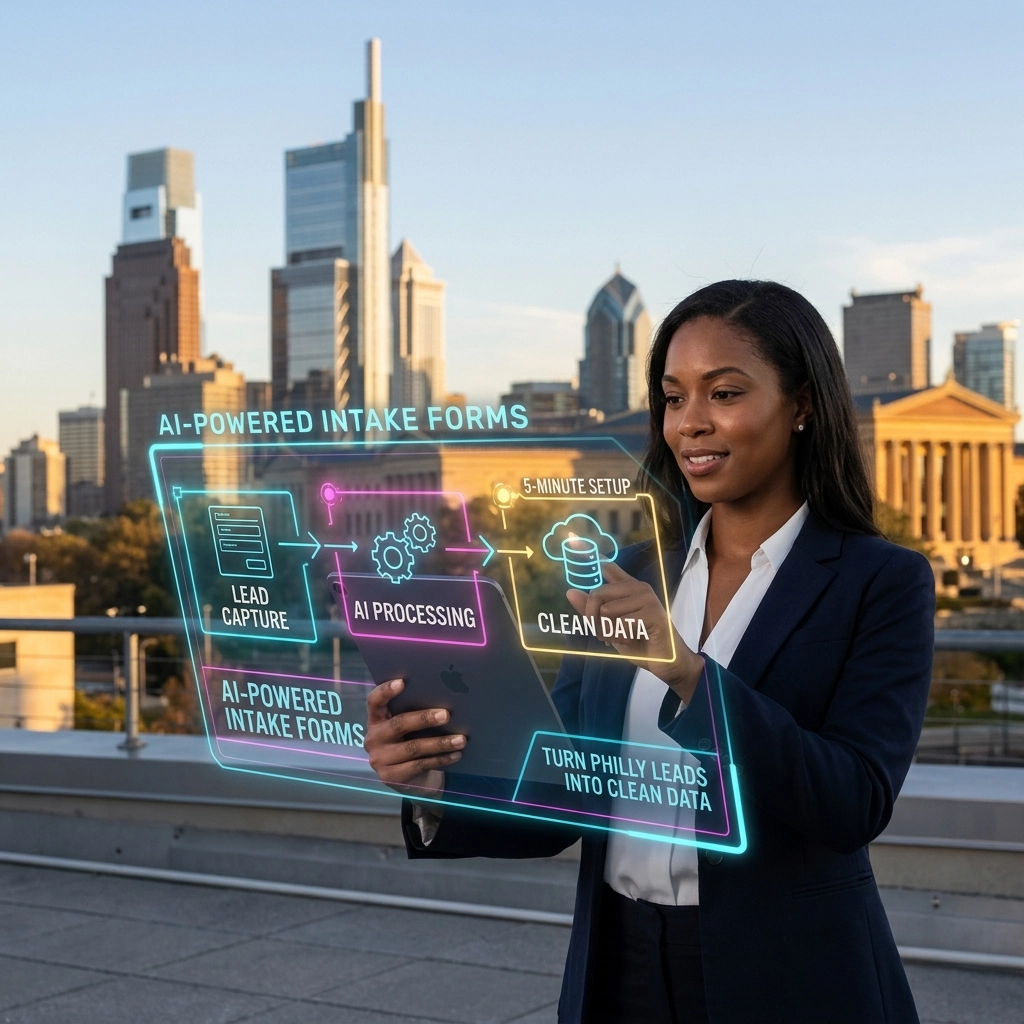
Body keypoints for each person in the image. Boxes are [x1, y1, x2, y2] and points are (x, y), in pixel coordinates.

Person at [364, 279, 935, 1024]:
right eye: (673, 398)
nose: (689, 424)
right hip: (619, 969)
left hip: (790, 976)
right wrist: (434, 783)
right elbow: (568, 792)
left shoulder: (880, 582)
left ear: (801, 405)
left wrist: (686, 672)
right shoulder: (631, 573)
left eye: (724, 394)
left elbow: (851, 801)